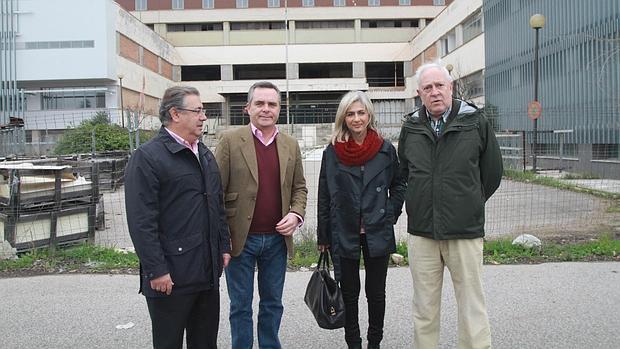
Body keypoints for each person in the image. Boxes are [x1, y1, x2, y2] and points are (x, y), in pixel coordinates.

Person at [398, 62, 503, 349]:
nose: (435, 92)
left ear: (451, 87)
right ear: (419, 93)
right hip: (422, 233)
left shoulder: (474, 122)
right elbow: (404, 172)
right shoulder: (411, 126)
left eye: (439, 86)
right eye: (428, 88)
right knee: (424, 308)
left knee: (472, 305)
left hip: (464, 231)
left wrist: (468, 201)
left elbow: (492, 172)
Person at [125, 86, 231, 349]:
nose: (203, 117)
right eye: (197, 111)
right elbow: (141, 221)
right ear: (175, 113)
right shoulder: (147, 158)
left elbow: (216, 205)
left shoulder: (204, 154)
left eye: (203, 111)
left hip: (206, 271)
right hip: (170, 276)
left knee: (205, 343)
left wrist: (224, 245)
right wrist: (156, 270)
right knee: (168, 342)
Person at [215, 81, 308, 349]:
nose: (266, 109)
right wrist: (221, 238)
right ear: (248, 108)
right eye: (260, 103)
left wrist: (296, 214)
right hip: (239, 240)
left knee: (272, 304)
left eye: (272, 104)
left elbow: (299, 187)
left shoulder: (290, 144)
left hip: (277, 241)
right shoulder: (230, 141)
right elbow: (216, 191)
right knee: (240, 306)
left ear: (280, 109)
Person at [317, 91, 405, 349]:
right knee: (349, 293)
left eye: (361, 113)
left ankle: (374, 343)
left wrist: (389, 213)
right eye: (351, 113)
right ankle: (353, 343)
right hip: (343, 231)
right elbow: (324, 195)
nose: (356, 119)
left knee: (376, 294)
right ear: (343, 118)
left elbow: (399, 184)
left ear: (369, 116)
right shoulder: (332, 152)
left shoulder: (385, 149)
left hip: (377, 229)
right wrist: (323, 235)